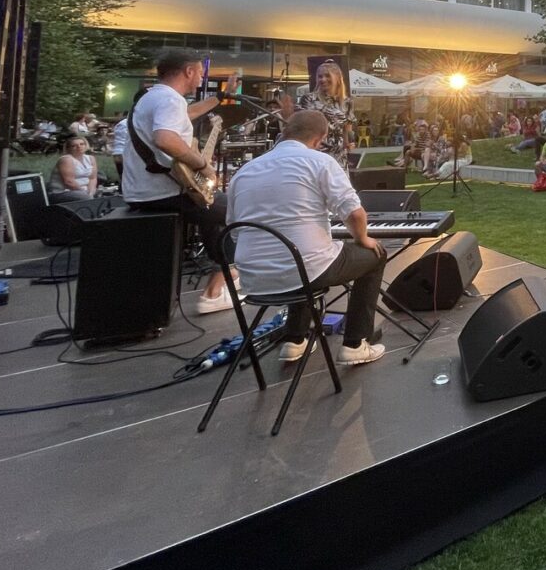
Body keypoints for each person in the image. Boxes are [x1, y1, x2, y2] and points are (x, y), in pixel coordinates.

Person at [229, 111, 385, 365]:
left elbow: (234, 230)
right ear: (320, 138)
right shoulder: (320, 161)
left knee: (304, 256)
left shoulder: (244, 171)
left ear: (284, 132)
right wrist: (363, 238)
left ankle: (294, 340)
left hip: (252, 278)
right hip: (304, 270)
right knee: (373, 254)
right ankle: (355, 344)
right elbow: (355, 214)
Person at [122, 50, 230, 313]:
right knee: (238, 209)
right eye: (200, 73)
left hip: (143, 191)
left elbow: (186, 114)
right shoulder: (170, 99)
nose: (201, 78)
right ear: (188, 71)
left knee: (210, 207)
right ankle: (219, 284)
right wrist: (202, 165)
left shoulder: (153, 96)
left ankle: (222, 274)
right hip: (164, 193)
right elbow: (165, 139)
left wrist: (219, 98)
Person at [48, 135, 99, 203]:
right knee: (85, 197)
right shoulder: (66, 159)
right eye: (74, 146)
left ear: (86, 145)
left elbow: (92, 178)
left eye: (82, 144)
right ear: (68, 149)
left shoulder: (91, 158)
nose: (79, 147)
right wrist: (85, 193)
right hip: (63, 192)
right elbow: (69, 182)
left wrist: (91, 192)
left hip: (84, 190)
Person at [109, 112, 128, 181]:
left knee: (123, 177)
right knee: (127, 178)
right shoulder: (129, 123)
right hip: (124, 152)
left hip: (118, 152)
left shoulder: (120, 124)